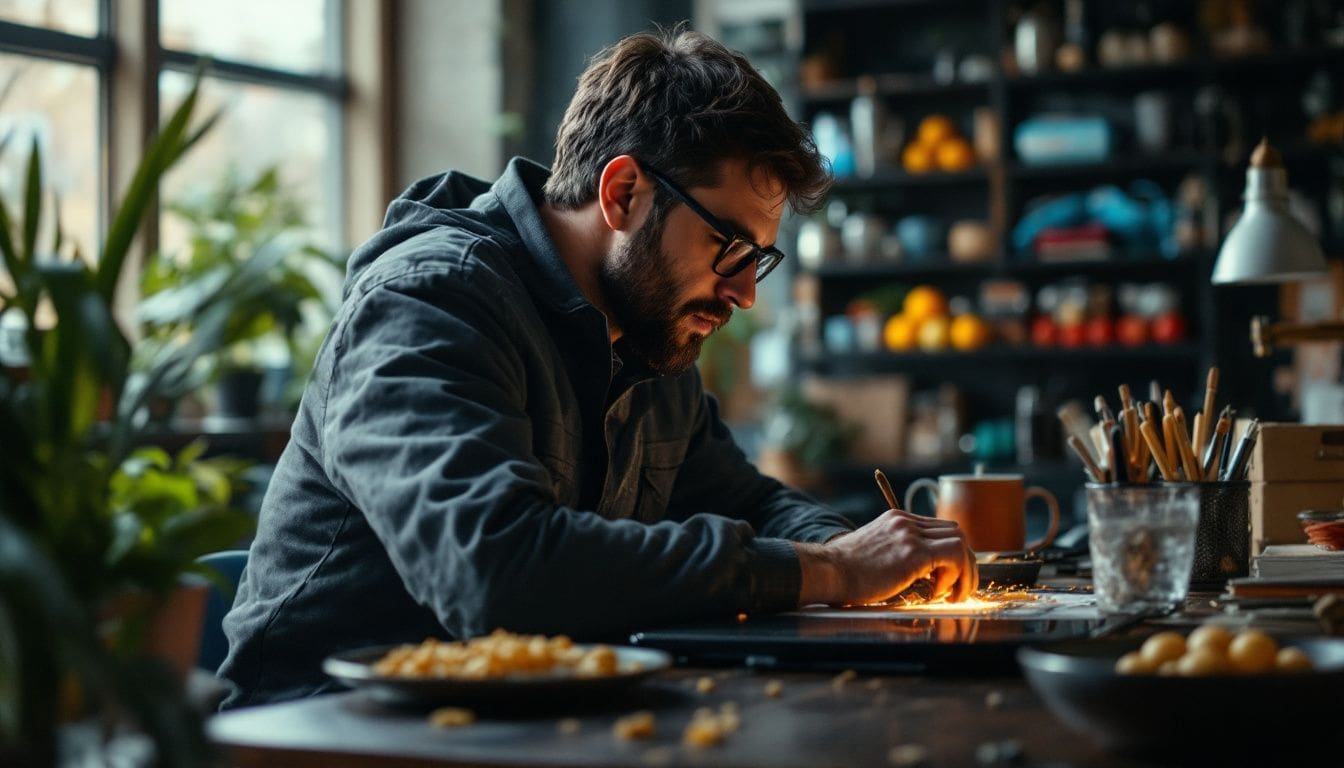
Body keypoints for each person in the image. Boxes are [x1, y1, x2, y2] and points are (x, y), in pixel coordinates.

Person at [219, 27, 976, 708]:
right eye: (730, 248)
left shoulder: (648, 337)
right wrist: (833, 572)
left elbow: (748, 503)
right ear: (623, 192)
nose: (745, 292)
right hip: (320, 734)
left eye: (760, 260)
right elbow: (497, 570)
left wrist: (870, 556)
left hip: (514, 731)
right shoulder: (429, 302)